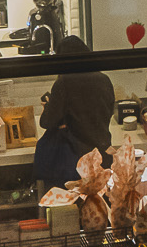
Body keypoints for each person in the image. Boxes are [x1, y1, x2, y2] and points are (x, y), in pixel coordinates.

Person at [34, 35, 116, 184]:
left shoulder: (64, 82)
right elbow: (109, 111)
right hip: (102, 155)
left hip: (75, 160)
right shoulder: (104, 79)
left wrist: (48, 106)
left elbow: (47, 122)